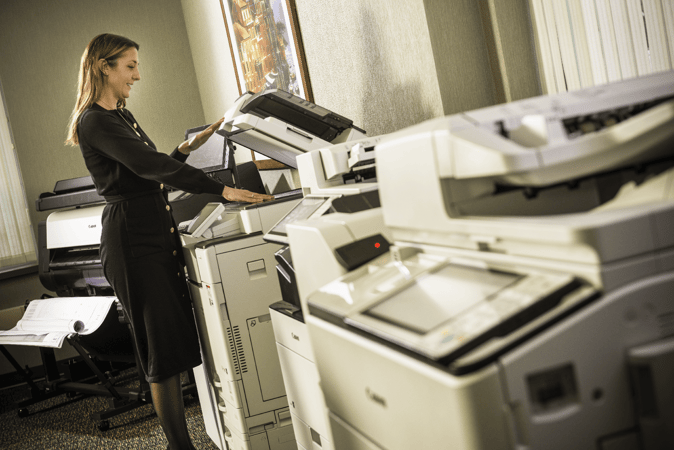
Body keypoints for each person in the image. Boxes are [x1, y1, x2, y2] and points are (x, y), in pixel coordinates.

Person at [65, 33, 273, 450]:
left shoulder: (120, 114)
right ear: (104, 66)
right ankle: (180, 447)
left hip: (154, 237)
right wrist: (222, 190)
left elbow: (148, 167)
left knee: (173, 346)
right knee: (161, 354)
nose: (137, 75)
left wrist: (183, 149)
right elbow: (146, 165)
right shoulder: (94, 120)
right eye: (129, 66)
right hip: (132, 243)